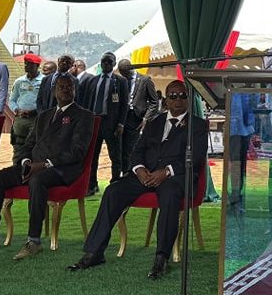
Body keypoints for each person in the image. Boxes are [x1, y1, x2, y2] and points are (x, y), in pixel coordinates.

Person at [67, 80, 208, 279]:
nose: (178, 100)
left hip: (175, 177)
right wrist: (139, 170)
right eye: (173, 96)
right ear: (165, 101)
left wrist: (165, 172)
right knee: (113, 190)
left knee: (170, 194)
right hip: (145, 175)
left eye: (182, 95)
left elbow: (195, 157)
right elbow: (137, 152)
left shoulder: (198, 125)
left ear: (188, 100)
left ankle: (161, 257)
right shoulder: (153, 123)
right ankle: (94, 252)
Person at [0, 76, 92, 260]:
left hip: (61, 169)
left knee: (37, 180)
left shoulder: (83, 115)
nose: (65, 90)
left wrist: (45, 164)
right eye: (61, 87)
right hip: (33, 165)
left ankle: (34, 241)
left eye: (69, 87)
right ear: (54, 91)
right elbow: (29, 143)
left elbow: (77, 152)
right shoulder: (44, 115)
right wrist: (25, 162)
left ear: (74, 90)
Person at [82, 52, 129, 196]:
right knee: (92, 156)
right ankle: (91, 184)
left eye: (109, 62)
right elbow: (86, 103)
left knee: (115, 155)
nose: (106, 64)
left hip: (112, 122)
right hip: (94, 122)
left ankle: (115, 183)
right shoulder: (92, 81)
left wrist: (121, 124)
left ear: (114, 64)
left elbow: (124, 105)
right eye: (103, 61)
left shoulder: (120, 81)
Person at [117, 59, 160, 178]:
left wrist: (146, 118)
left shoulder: (145, 80)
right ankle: (124, 172)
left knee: (132, 147)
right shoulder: (121, 81)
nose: (123, 74)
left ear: (130, 68)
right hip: (122, 117)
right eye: (121, 72)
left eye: (124, 72)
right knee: (121, 147)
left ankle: (132, 172)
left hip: (137, 118)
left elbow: (154, 102)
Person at [7, 53, 43, 160]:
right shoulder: (19, 81)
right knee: (18, 145)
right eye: (26, 64)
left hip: (35, 119)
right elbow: (12, 100)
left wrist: (34, 112)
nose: (26, 66)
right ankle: (17, 169)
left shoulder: (44, 81)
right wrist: (17, 110)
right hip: (21, 119)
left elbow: (45, 102)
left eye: (30, 64)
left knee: (33, 146)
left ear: (37, 66)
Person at [227, 91, 256, 216]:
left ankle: (237, 198)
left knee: (239, 165)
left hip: (242, 126)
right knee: (236, 165)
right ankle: (235, 199)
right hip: (234, 127)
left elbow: (253, 99)